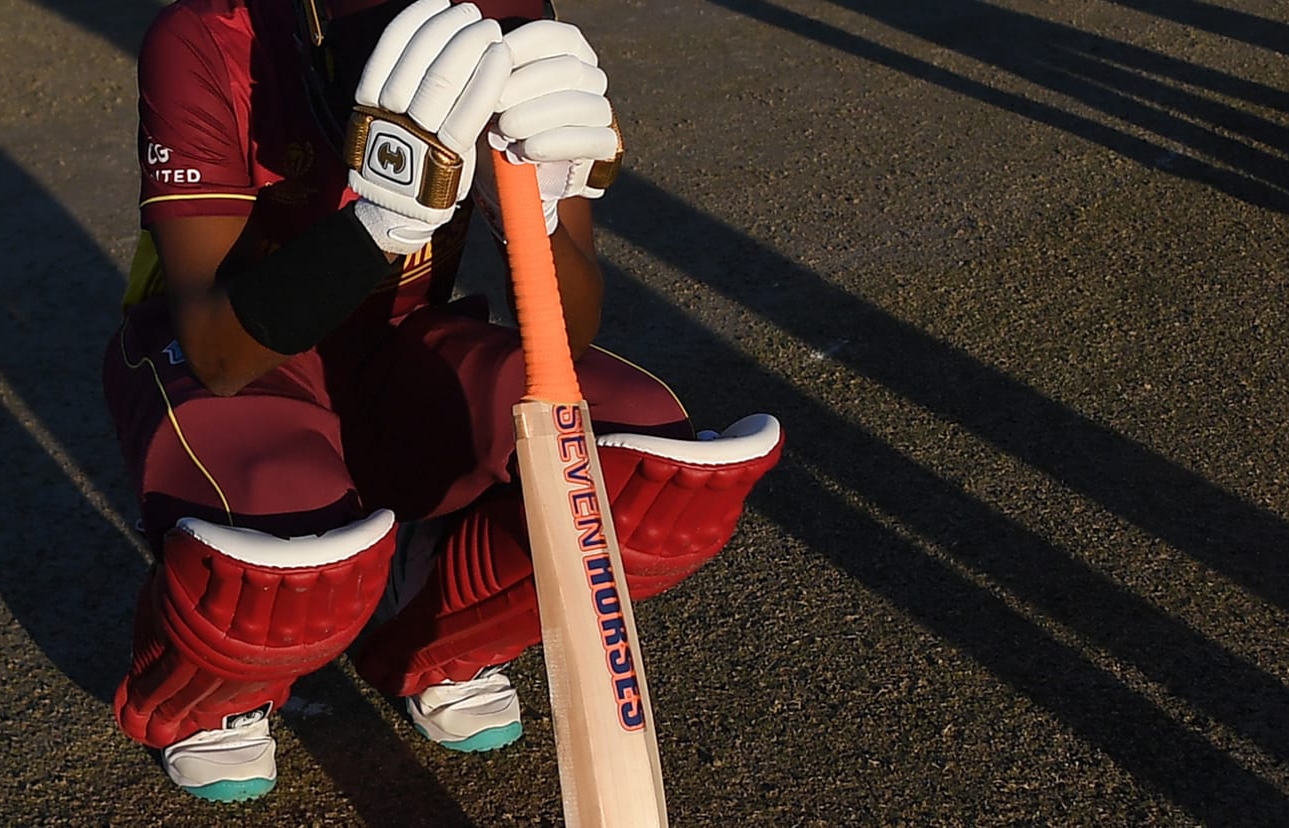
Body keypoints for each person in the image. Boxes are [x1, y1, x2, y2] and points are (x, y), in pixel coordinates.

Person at [101, 0, 783, 802]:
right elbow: (219, 352)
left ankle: (424, 628)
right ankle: (205, 694)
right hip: (237, 364)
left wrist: (537, 204)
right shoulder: (211, 36)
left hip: (399, 343)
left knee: (638, 472)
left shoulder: (510, 14)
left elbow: (566, 334)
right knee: (281, 566)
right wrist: (377, 225)